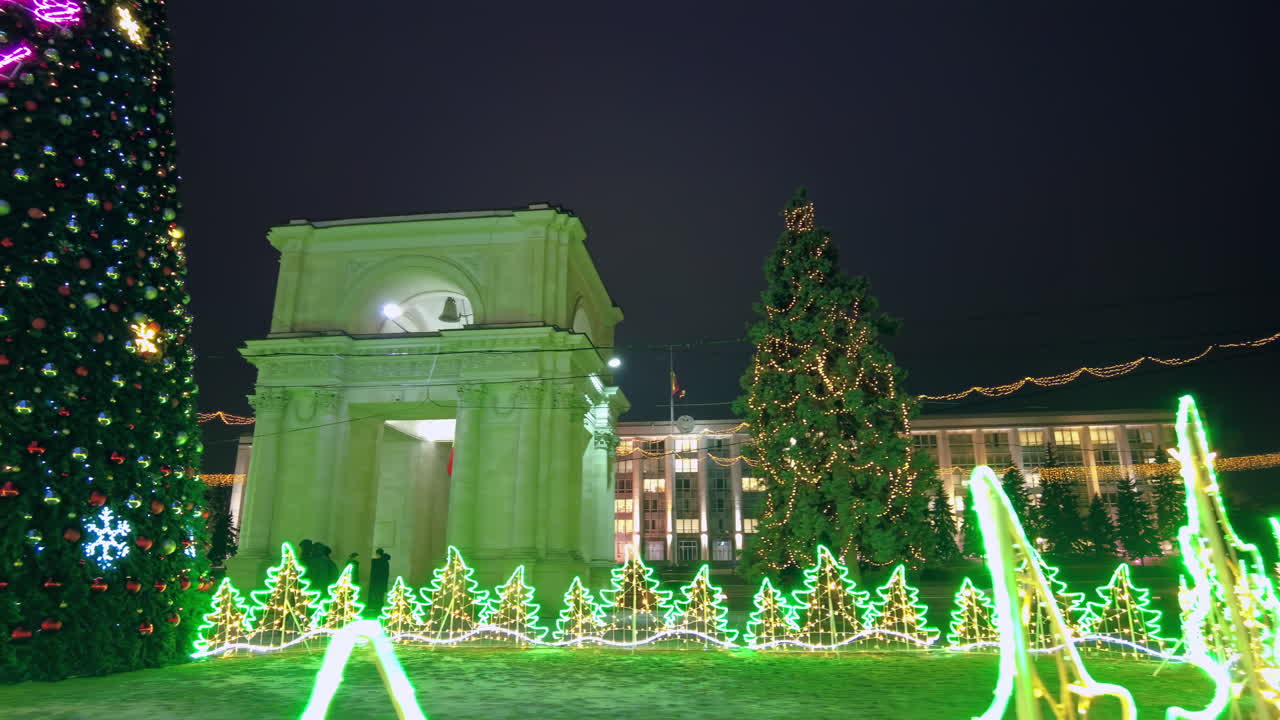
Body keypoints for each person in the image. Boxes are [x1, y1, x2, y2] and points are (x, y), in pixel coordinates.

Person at [368, 548, 391, 617]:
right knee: (380, 598)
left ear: (377, 553)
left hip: (376, 583)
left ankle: (376, 611)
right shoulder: (386, 562)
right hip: (382, 584)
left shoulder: (376, 562)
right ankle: (379, 611)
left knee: (375, 597)